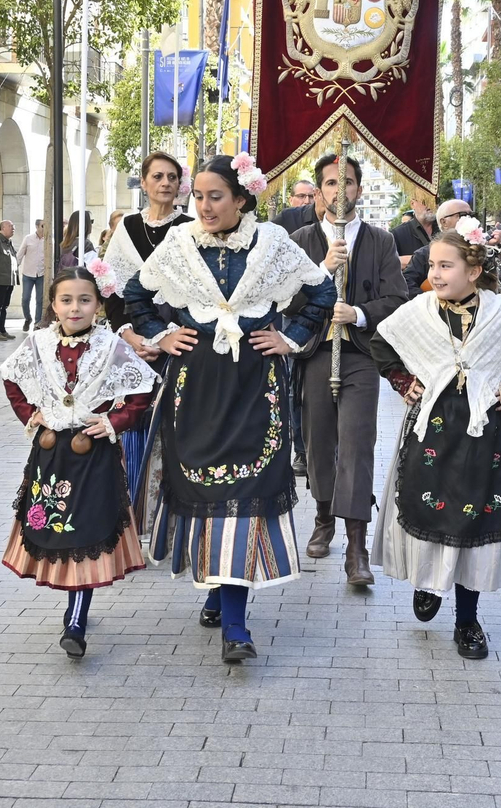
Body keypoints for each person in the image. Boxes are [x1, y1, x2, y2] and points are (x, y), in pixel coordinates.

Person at [124, 153, 335, 663]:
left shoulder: (271, 244)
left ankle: (236, 626)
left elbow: (321, 292)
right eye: (196, 196)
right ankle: (220, 590)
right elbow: (134, 296)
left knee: (245, 487)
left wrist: (290, 337)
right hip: (193, 387)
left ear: (241, 199)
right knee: (202, 485)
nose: (202, 205)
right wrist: (163, 334)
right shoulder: (179, 243)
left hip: (254, 386)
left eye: (213, 196)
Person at [370, 222, 501, 659]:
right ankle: (428, 583)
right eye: (431, 265)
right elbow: (381, 341)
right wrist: (403, 380)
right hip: (431, 428)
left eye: (445, 265)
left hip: (481, 433)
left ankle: (467, 619)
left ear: (474, 269)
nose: (435, 273)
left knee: (475, 520)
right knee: (426, 507)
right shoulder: (420, 309)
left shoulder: (500, 312)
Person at [0, 267, 159, 657]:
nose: (75, 308)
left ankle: (76, 618)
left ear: (99, 306)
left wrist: (113, 422)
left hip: (95, 459)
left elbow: (144, 389)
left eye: (84, 300)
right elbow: (11, 379)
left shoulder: (112, 346)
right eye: (66, 300)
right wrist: (32, 417)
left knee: (87, 529)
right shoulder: (37, 343)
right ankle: (75, 606)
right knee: (59, 529)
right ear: (53, 305)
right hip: (50, 457)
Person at [288, 153, 409, 586]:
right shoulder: (300, 240)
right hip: (317, 354)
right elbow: (285, 299)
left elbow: (397, 300)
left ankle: (356, 547)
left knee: (357, 444)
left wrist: (356, 313)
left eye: (349, 182)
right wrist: (323, 275)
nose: (341, 191)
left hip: (358, 355)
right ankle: (323, 516)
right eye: (332, 184)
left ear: (360, 189)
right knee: (319, 443)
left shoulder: (381, 241)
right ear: (320, 191)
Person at [98, 151, 194, 505]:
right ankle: (131, 508)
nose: (166, 183)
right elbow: (111, 289)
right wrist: (130, 335)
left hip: (178, 341)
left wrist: (165, 336)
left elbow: (195, 293)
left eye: (172, 177)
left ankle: (167, 510)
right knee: (130, 424)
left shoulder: (190, 229)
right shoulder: (127, 229)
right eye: (158, 176)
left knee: (172, 426)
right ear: (143, 182)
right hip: (132, 343)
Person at [404, 199, 474, 294]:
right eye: (462, 215)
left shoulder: (477, 248)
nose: (468, 219)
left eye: (472, 215)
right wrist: (434, 301)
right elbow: (406, 284)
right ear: (444, 222)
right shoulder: (423, 254)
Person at [20, 219, 47, 332]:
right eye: (42, 226)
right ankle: (28, 318)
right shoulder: (28, 238)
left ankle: (37, 323)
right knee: (25, 299)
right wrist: (13, 268)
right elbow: (20, 253)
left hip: (41, 274)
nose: (44, 228)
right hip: (28, 274)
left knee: (40, 300)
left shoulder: (49, 240)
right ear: (36, 226)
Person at [392, 198, 435, 269]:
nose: (430, 205)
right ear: (412, 204)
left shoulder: (445, 230)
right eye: (425, 201)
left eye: (433, 201)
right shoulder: (397, 234)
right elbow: (385, 263)